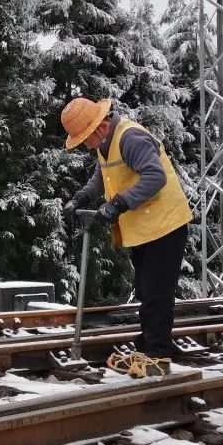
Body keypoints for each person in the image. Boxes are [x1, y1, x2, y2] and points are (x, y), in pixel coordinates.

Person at [61, 98, 193, 377]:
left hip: (165, 225)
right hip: (145, 228)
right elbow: (103, 176)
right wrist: (80, 198)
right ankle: (147, 349)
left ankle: (158, 356)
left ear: (102, 125)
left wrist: (119, 204)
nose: (85, 144)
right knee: (145, 291)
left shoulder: (131, 138)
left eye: (86, 138)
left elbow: (155, 177)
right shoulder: (106, 143)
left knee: (156, 294)